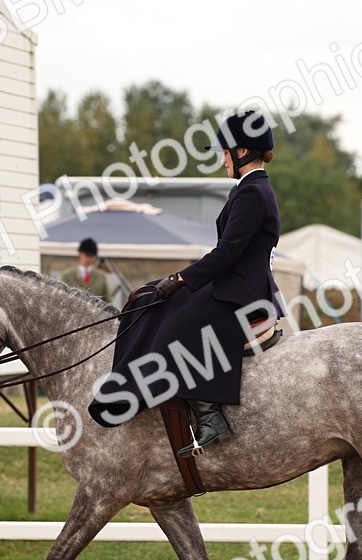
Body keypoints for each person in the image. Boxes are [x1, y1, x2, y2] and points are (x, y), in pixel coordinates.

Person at [88, 111, 282, 457]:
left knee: (176, 324)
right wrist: (176, 280)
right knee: (149, 299)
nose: (222, 160)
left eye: (225, 153)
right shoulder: (249, 189)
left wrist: (180, 278)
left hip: (242, 293)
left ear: (242, 152)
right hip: (235, 284)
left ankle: (210, 415)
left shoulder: (253, 192)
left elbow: (227, 253)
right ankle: (127, 387)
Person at [60, 238, 114, 303]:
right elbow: (60, 299)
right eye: (87, 255)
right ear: (80, 254)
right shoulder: (67, 275)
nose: (89, 259)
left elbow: (108, 301)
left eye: (92, 256)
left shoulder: (101, 276)